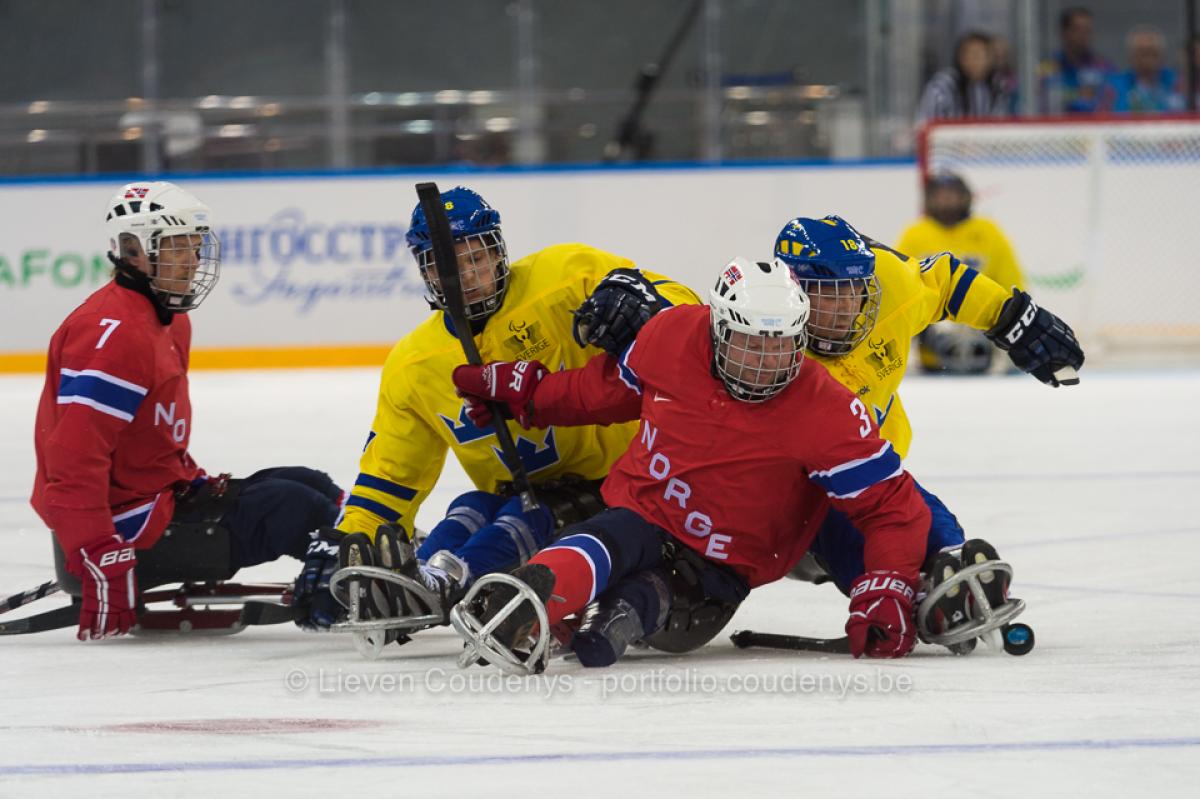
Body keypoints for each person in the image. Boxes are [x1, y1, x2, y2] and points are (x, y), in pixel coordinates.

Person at [557, 214, 1083, 666]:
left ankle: (945, 569)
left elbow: (944, 279)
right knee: (839, 515)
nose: (844, 310)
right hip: (767, 505)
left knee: (887, 506)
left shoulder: (891, 288)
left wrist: (1013, 318)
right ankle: (912, 582)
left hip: (859, 467)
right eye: (824, 297)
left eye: (854, 291)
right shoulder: (762, 345)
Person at [451, 257, 941, 670]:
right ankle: (530, 595)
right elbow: (601, 392)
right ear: (717, 324)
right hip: (644, 511)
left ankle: (601, 615)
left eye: (780, 342)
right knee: (602, 540)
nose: (766, 360)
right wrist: (528, 396)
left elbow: (893, 506)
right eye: (751, 341)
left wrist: (889, 587)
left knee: (630, 611)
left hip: (719, 570)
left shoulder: (827, 410)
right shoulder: (670, 334)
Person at [292, 186, 699, 633]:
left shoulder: (567, 276)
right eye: (444, 264)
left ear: (498, 251)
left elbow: (685, 309)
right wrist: (341, 540)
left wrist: (645, 305)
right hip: (522, 500)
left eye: (476, 258)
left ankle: (448, 580)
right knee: (469, 507)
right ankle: (416, 578)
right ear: (425, 270)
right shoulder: (414, 364)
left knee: (518, 518)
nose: (465, 277)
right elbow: (390, 478)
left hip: (620, 488)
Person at [31, 181, 343, 641]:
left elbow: (152, 438)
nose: (193, 259)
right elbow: (72, 459)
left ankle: (355, 551)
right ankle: (350, 577)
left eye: (195, 245)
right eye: (178, 247)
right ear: (134, 250)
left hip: (154, 498)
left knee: (308, 483)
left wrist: (187, 479)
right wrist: (97, 551)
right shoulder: (114, 334)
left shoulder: (170, 317)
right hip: (122, 528)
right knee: (294, 508)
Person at [897, 173, 1028, 374]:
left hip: (982, 334)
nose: (947, 201)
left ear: (966, 197)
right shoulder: (914, 235)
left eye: (952, 195)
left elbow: (1012, 284)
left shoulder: (989, 232)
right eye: (941, 196)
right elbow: (900, 290)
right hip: (930, 340)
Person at [916, 31, 1013, 127]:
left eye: (984, 56)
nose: (978, 62)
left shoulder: (997, 86)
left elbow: (1001, 125)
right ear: (961, 58)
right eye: (974, 55)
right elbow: (925, 126)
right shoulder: (942, 86)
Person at [1039, 7, 1114, 114]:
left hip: (1094, 127)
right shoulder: (1046, 68)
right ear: (1064, 32)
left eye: (1088, 30)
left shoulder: (1104, 68)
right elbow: (1037, 104)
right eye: (1078, 29)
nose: (1084, 35)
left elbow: (1111, 104)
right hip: (1056, 128)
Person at [1106, 25, 1184, 114]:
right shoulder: (1114, 86)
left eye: (1152, 51)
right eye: (1142, 52)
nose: (1147, 58)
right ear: (1131, 55)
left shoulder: (1179, 84)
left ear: (1161, 54)